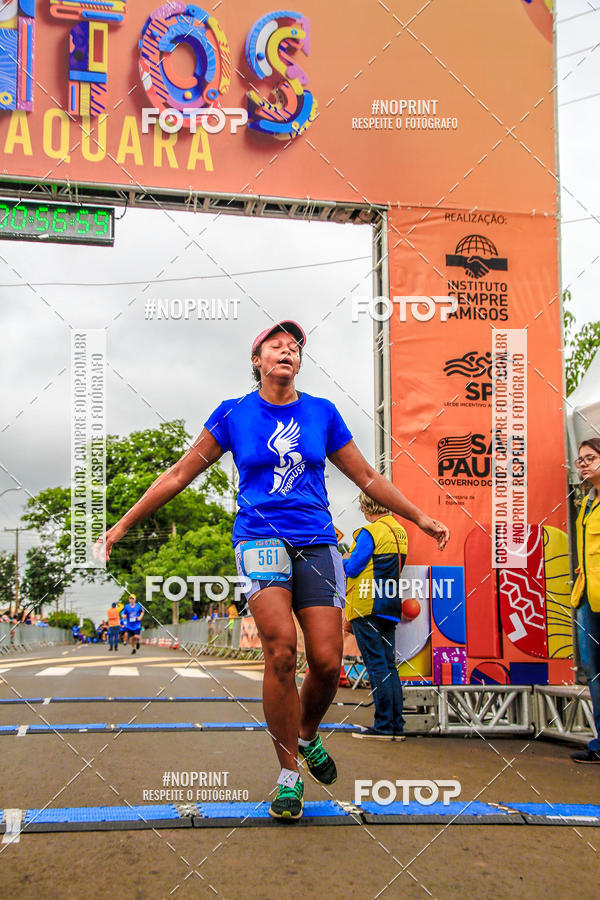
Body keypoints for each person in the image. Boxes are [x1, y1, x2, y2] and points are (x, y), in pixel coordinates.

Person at [95, 320, 449, 820]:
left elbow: (367, 475)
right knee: (281, 651)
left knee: (326, 662)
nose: (287, 352)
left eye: (294, 348)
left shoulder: (322, 414)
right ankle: (288, 775)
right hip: (258, 539)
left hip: (318, 540)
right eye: (275, 346)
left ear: (299, 363)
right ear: (257, 361)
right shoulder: (234, 414)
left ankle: (306, 734)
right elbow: (178, 473)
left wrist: (420, 516)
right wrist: (121, 527)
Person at [343, 492, 408, 740]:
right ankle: (395, 726)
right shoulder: (400, 532)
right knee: (389, 665)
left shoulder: (369, 533)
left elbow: (353, 567)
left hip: (366, 605)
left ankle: (382, 726)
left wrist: (344, 558)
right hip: (390, 604)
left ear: (366, 507)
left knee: (376, 665)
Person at [570, 437, 600, 764]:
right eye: (580, 460)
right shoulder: (587, 503)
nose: (583, 464)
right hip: (587, 599)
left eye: (590, 458)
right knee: (593, 671)